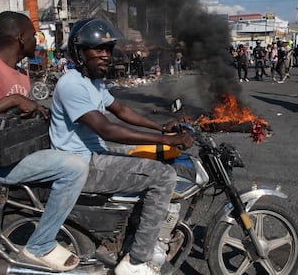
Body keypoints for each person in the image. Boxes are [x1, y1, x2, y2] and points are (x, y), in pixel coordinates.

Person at [48, 18, 194, 275]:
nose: (106, 55)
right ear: (79, 53)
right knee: (163, 176)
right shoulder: (71, 84)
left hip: (95, 154)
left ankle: (134, 230)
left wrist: (161, 129)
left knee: (151, 158)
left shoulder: (93, 82)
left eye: (108, 49)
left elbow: (122, 110)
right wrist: (167, 140)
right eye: (98, 49)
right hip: (80, 165)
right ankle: (136, 261)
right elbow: (107, 128)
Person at [0, 11, 89, 271]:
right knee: (75, 167)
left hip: (16, 153)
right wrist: (13, 101)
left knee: (77, 152)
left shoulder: (21, 73)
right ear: (19, 37)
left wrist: (34, 109)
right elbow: (8, 105)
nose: (37, 41)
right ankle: (40, 245)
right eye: (34, 36)